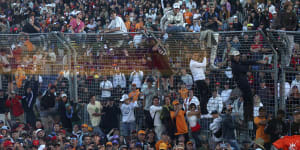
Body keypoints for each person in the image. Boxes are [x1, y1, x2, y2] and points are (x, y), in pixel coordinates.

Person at [230, 50, 266, 122]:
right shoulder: (234, 65)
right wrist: (248, 67)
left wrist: (258, 61)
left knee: (248, 100)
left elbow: (248, 62)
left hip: (244, 84)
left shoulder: (239, 62)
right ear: (233, 57)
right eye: (236, 56)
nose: (237, 57)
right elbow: (244, 69)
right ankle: (248, 117)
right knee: (248, 100)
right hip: (242, 85)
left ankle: (248, 117)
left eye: (238, 56)